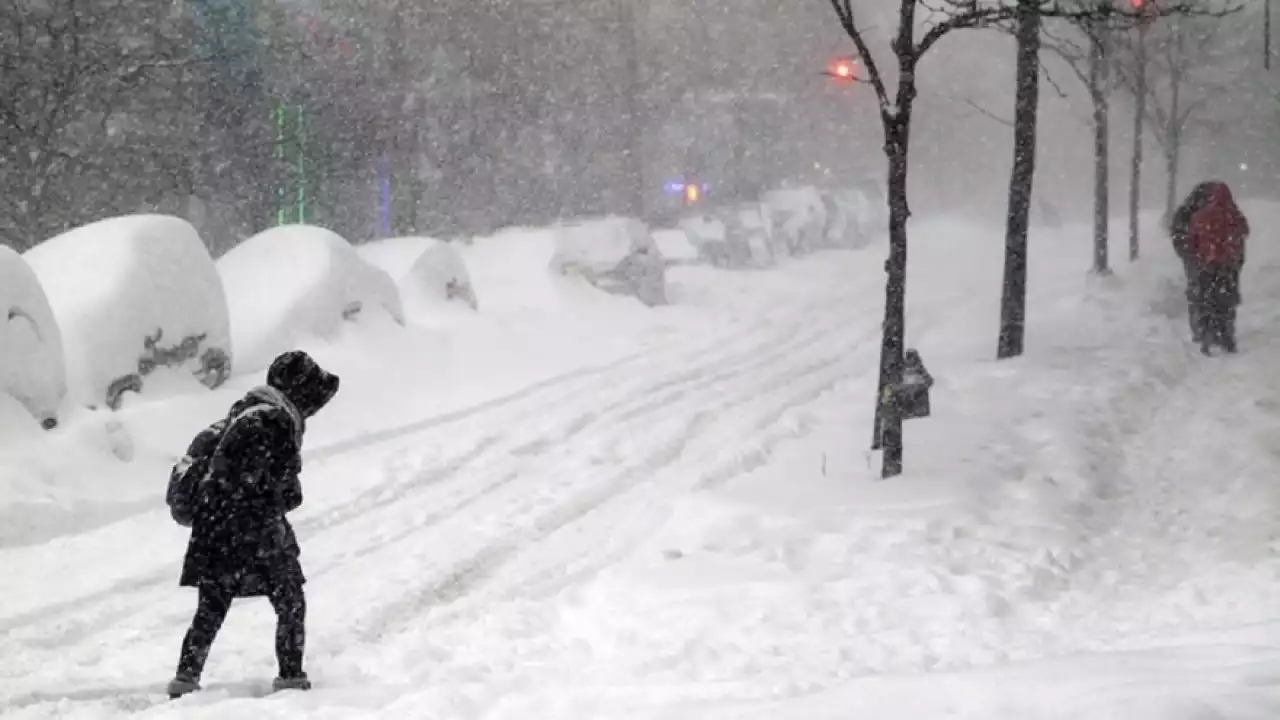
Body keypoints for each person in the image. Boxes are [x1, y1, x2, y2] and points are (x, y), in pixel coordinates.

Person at [165, 350, 340, 698]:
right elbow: (279, 490)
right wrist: (279, 497)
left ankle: (185, 679)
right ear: (299, 390)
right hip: (253, 530)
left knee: (211, 608)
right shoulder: (273, 423)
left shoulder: (244, 412)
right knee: (290, 599)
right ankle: (291, 678)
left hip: (215, 529)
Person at [1182, 181, 1249, 355]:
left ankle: (1205, 337)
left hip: (1207, 266)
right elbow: (1244, 232)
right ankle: (1227, 337)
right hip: (1228, 267)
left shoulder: (1200, 216)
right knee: (1226, 303)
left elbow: (1192, 239)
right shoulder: (1234, 215)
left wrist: (1197, 257)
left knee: (1206, 301)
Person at [1170, 181, 1215, 342]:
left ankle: (1198, 328)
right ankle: (1210, 327)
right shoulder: (1212, 212)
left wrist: (1186, 252)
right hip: (1209, 259)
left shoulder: (1185, 211)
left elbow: (1176, 234)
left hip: (1194, 259)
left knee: (1197, 292)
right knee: (1210, 292)